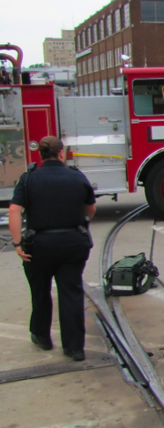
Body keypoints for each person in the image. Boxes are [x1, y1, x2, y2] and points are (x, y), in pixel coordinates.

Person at [9, 136, 96, 361]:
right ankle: (75, 348)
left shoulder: (28, 179)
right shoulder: (77, 177)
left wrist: (18, 243)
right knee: (71, 293)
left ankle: (42, 336)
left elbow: (14, 211)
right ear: (61, 154)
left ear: (40, 155)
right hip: (73, 244)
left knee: (40, 291)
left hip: (38, 246)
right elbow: (91, 209)